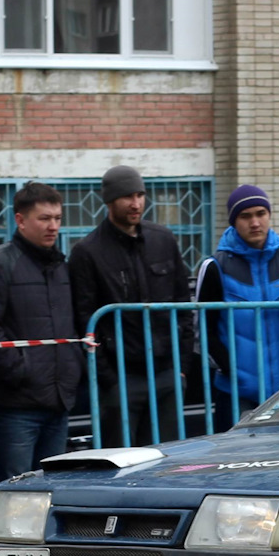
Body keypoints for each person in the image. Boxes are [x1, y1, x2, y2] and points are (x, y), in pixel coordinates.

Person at [70, 164, 195, 447]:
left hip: (166, 374)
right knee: (121, 468)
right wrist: (109, 380)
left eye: (140, 195)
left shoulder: (163, 239)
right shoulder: (88, 252)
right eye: (128, 196)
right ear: (110, 200)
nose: (136, 203)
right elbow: (84, 321)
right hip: (121, 380)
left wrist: (181, 367)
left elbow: (183, 307)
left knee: (167, 462)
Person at [0, 182, 82, 485]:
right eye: (44, 218)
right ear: (20, 220)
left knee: (52, 489)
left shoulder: (61, 266)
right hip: (16, 404)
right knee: (16, 492)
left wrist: (73, 365)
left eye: (58, 218)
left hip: (57, 400)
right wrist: (19, 369)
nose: (53, 226)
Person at [197, 186, 279, 430]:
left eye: (260, 213)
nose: (255, 222)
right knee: (233, 464)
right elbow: (205, 331)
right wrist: (231, 371)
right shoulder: (214, 267)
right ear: (233, 221)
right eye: (245, 216)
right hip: (237, 392)